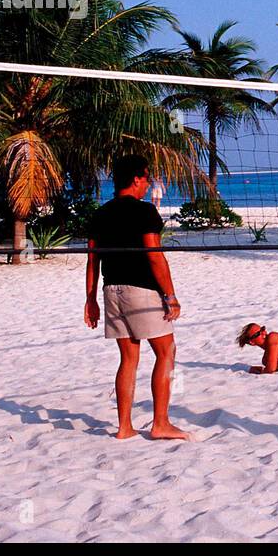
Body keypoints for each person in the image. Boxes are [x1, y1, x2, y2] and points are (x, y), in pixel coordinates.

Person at [84, 154, 189, 440]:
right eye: (146, 179)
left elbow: (92, 260)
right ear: (135, 179)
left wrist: (90, 300)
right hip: (140, 291)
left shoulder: (100, 213)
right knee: (166, 351)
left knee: (128, 359)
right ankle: (161, 423)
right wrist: (170, 295)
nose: (148, 184)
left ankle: (124, 427)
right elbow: (154, 257)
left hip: (111, 291)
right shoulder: (144, 211)